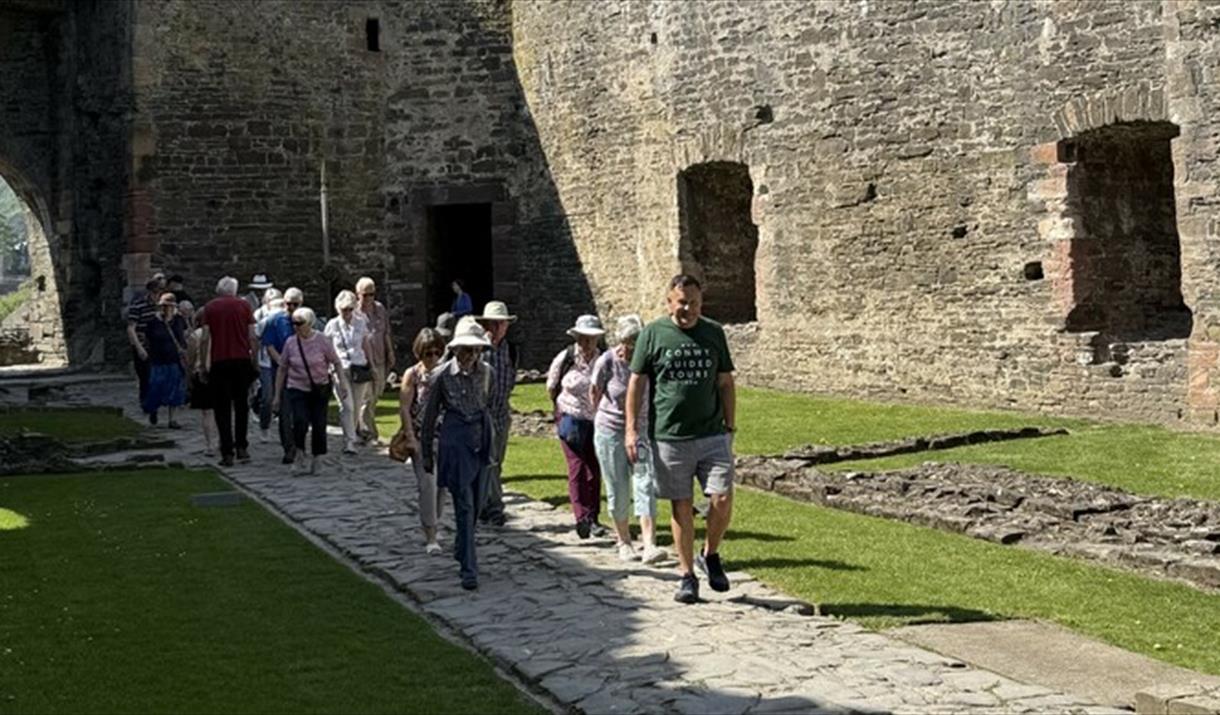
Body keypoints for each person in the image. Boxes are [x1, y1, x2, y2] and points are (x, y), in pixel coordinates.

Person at [626, 274, 737, 605]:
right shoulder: (653, 334)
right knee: (681, 506)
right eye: (683, 302)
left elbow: (725, 382)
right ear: (669, 301)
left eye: (695, 303)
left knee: (721, 497)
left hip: (712, 432)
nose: (689, 309)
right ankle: (687, 575)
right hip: (670, 437)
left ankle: (710, 553)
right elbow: (636, 384)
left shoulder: (713, 333)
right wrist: (631, 429)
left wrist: (730, 427)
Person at [420, 317, 493, 591]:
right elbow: (429, 418)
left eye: (476, 350)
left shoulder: (487, 373)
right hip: (454, 440)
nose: (471, 356)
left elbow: (490, 406)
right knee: (464, 505)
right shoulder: (441, 376)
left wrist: (491, 440)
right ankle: (469, 570)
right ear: (456, 349)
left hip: (480, 437)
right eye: (467, 349)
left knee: (477, 505)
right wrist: (427, 453)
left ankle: (463, 547)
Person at [591, 315, 667, 564]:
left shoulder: (649, 362)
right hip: (610, 430)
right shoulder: (608, 361)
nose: (628, 349)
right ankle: (624, 541)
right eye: (625, 343)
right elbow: (595, 392)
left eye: (634, 344)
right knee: (618, 488)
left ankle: (649, 544)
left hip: (641, 430)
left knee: (645, 483)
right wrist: (602, 420)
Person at [546, 314, 607, 539]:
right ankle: (581, 517)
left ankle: (594, 517)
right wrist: (559, 412)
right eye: (583, 338)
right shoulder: (566, 357)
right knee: (577, 467)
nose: (587, 343)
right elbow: (552, 386)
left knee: (594, 468)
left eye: (591, 338)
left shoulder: (603, 360)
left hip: (595, 420)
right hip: (570, 418)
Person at [272, 306, 350, 476]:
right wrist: (277, 395)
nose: (296, 327)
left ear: (309, 323)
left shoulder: (322, 341)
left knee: (319, 424)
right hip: (297, 387)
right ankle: (299, 453)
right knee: (299, 421)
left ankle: (317, 458)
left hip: (319, 388)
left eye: (299, 323)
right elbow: (282, 368)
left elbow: (336, 362)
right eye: (294, 323)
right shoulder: (291, 343)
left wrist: (342, 383)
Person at [398, 328, 448, 554]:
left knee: (441, 487)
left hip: (445, 436)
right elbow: (405, 408)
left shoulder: (446, 374)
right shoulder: (413, 374)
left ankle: (434, 520)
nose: (434, 358)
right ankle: (431, 535)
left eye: (438, 353)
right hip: (421, 438)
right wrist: (410, 437)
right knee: (427, 484)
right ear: (420, 353)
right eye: (429, 353)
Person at [201, 276, 257, 467]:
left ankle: (227, 452)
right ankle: (242, 446)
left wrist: (203, 362)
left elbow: (205, 337)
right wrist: (254, 359)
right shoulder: (244, 306)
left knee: (222, 408)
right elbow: (252, 336)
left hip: (220, 360)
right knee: (242, 405)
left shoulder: (210, 307)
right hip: (241, 359)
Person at [476, 301, 517, 527]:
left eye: (502, 323)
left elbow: (510, 379)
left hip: (502, 414)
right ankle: (495, 508)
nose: (499, 327)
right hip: (482, 415)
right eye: (496, 323)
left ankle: (482, 503)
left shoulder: (509, 349)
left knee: (496, 463)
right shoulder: (477, 348)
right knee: (489, 461)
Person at [325, 290, 374, 454]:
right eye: (344, 310)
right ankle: (349, 442)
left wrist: (371, 364)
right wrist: (328, 369)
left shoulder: (360, 323)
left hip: (359, 367)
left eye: (350, 309)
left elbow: (365, 344)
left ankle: (351, 435)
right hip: (340, 369)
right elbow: (326, 348)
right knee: (347, 406)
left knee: (357, 404)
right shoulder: (332, 325)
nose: (347, 313)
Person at [262, 288, 303, 464]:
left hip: (303, 374)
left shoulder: (306, 319)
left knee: (301, 412)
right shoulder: (274, 321)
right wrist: (283, 363)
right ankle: (289, 448)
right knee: (285, 412)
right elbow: (269, 345)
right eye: (288, 304)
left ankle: (300, 444)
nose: (291, 307)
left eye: (295, 304)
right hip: (282, 373)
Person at [355, 276, 395, 444]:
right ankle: (369, 433)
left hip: (380, 358)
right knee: (366, 398)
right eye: (365, 295)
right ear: (358, 294)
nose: (369, 298)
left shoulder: (380, 309)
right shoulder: (355, 313)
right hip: (363, 361)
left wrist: (390, 352)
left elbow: (385, 332)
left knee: (376, 396)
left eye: (372, 294)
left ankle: (360, 429)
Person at [142, 292, 189, 427]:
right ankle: (153, 410)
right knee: (156, 386)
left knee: (175, 389)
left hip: (174, 359)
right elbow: (148, 339)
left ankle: (172, 419)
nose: (167, 309)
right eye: (164, 306)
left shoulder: (178, 320)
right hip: (157, 359)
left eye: (170, 306)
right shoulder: (153, 322)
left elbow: (183, 336)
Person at [126, 275, 165, 405]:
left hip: (159, 346)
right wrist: (139, 348)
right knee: (145, 376)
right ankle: (146, 401)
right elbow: (131, 328)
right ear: (149, 291)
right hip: (144, 345)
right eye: (155, 292)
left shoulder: (164, 306)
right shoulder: (138, 305)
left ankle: (155, 400)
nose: (157, 295)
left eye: (160, 292)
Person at [185, 304, 218, 456]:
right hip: (220, 371)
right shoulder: (221, 333)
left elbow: (190, 360)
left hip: (202, 374)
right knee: (222, 411)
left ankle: (210, 445)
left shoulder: (195, 336)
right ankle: (223, 441)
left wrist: (189, 375)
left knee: (207, 413)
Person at [253, 288, 284, 443]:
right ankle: (264, 426)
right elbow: (255, 339)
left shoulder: (285, 317)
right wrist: (254, 360)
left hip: (283, 361)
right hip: (265, 361)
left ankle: (284, 427)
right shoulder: (261, 316)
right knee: (267, 396)